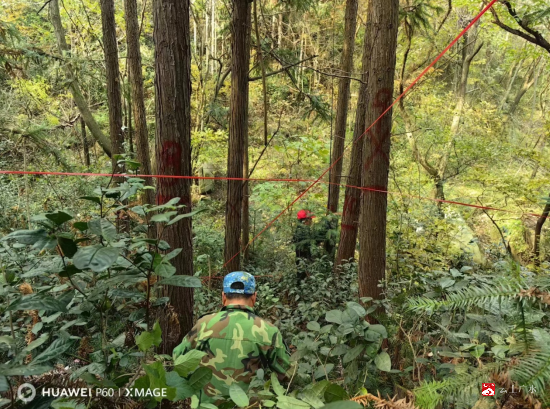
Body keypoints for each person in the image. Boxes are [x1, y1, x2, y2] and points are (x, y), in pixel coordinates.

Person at [173, 272, 290, 404]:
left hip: (207, 405)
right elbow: (285, 373)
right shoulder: (268, 330)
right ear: (254, 297)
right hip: (248, 405)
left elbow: (178, 358)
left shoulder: (203, 324)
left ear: (223, 296)